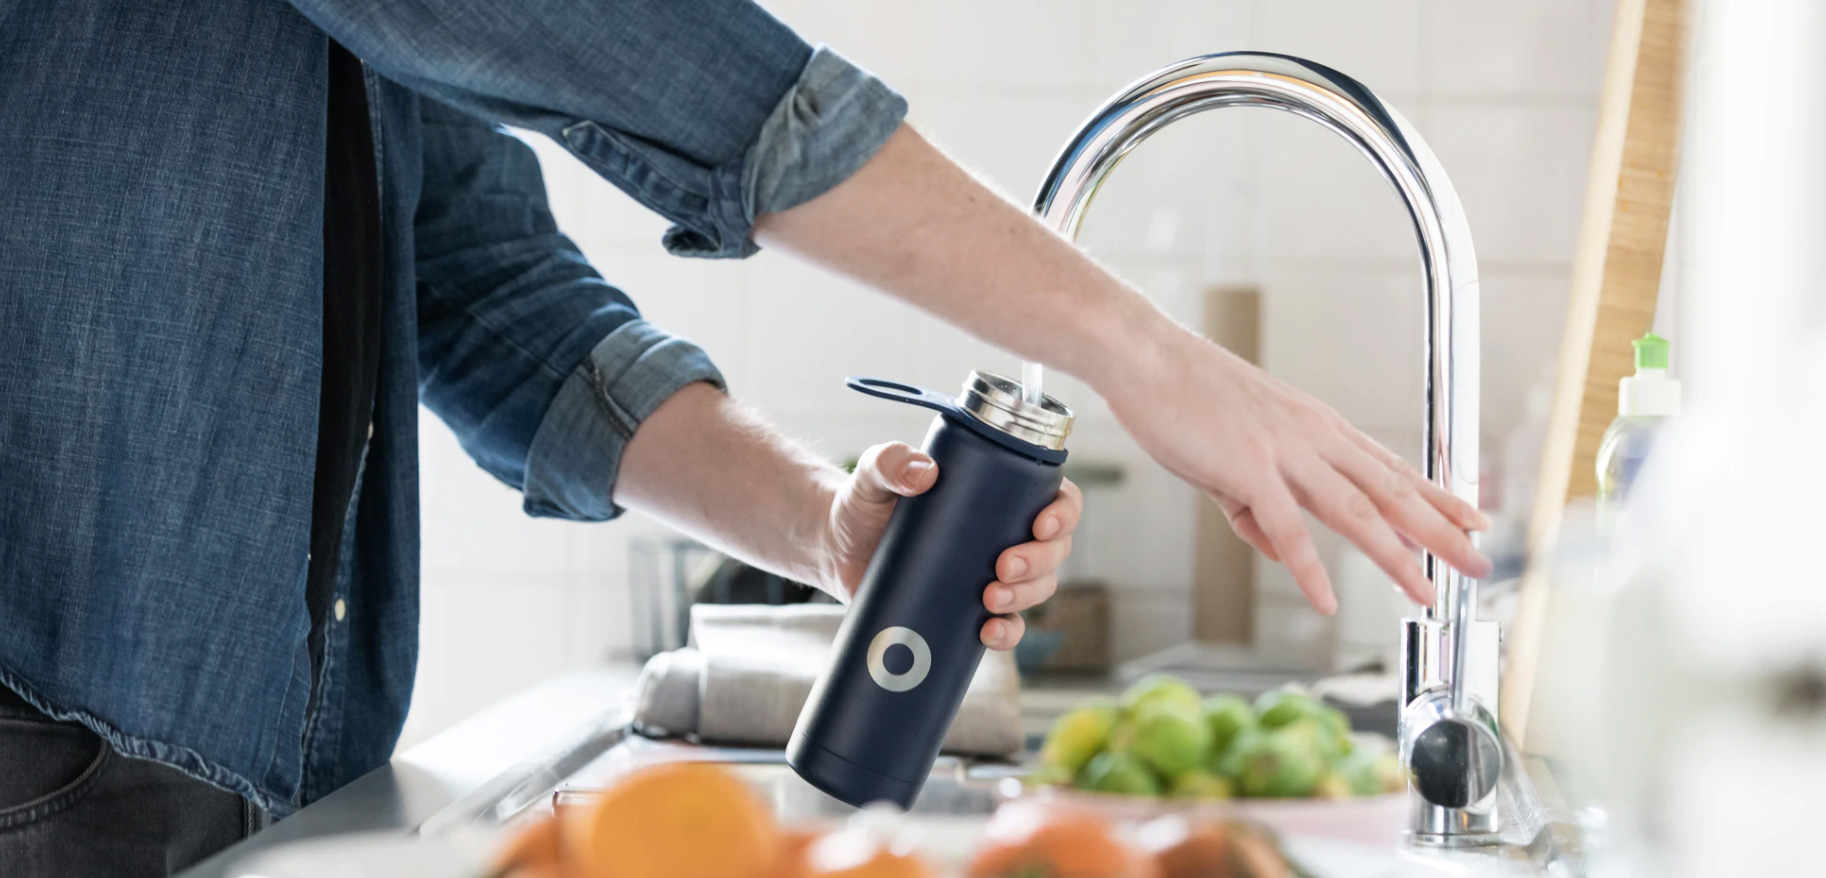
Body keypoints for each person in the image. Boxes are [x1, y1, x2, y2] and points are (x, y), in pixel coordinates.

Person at [0, 1, 1490, 874]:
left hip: (202, 775)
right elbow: (637, 54)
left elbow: (476, 286)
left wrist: (822, 524)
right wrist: (1137, 350)